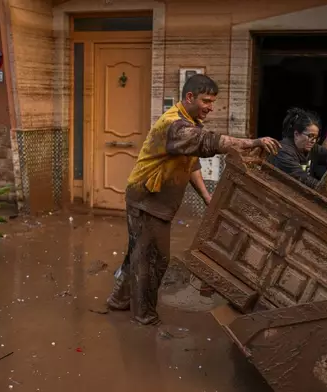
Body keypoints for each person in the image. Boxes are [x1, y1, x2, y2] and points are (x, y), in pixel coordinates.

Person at [106, 74, 281, 326]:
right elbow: (209, 142)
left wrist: (207, 196)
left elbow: (191, 163)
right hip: (147, 201)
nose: (210, 107)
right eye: (206, 101)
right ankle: (144, 316)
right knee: (154, 259)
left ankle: (119, 300)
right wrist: (252, 142)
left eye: (213, 102)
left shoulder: (188, 123)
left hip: (152, 201)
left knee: (139, 252)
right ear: (189, 97)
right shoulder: (174, 125)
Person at [269, 108, 327, 188]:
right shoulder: (283, 151)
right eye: (310, 136)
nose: (313, 141)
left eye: (316, 138)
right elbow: (303, 179)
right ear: (297, 134)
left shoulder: (312, 148)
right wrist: (325, 189)